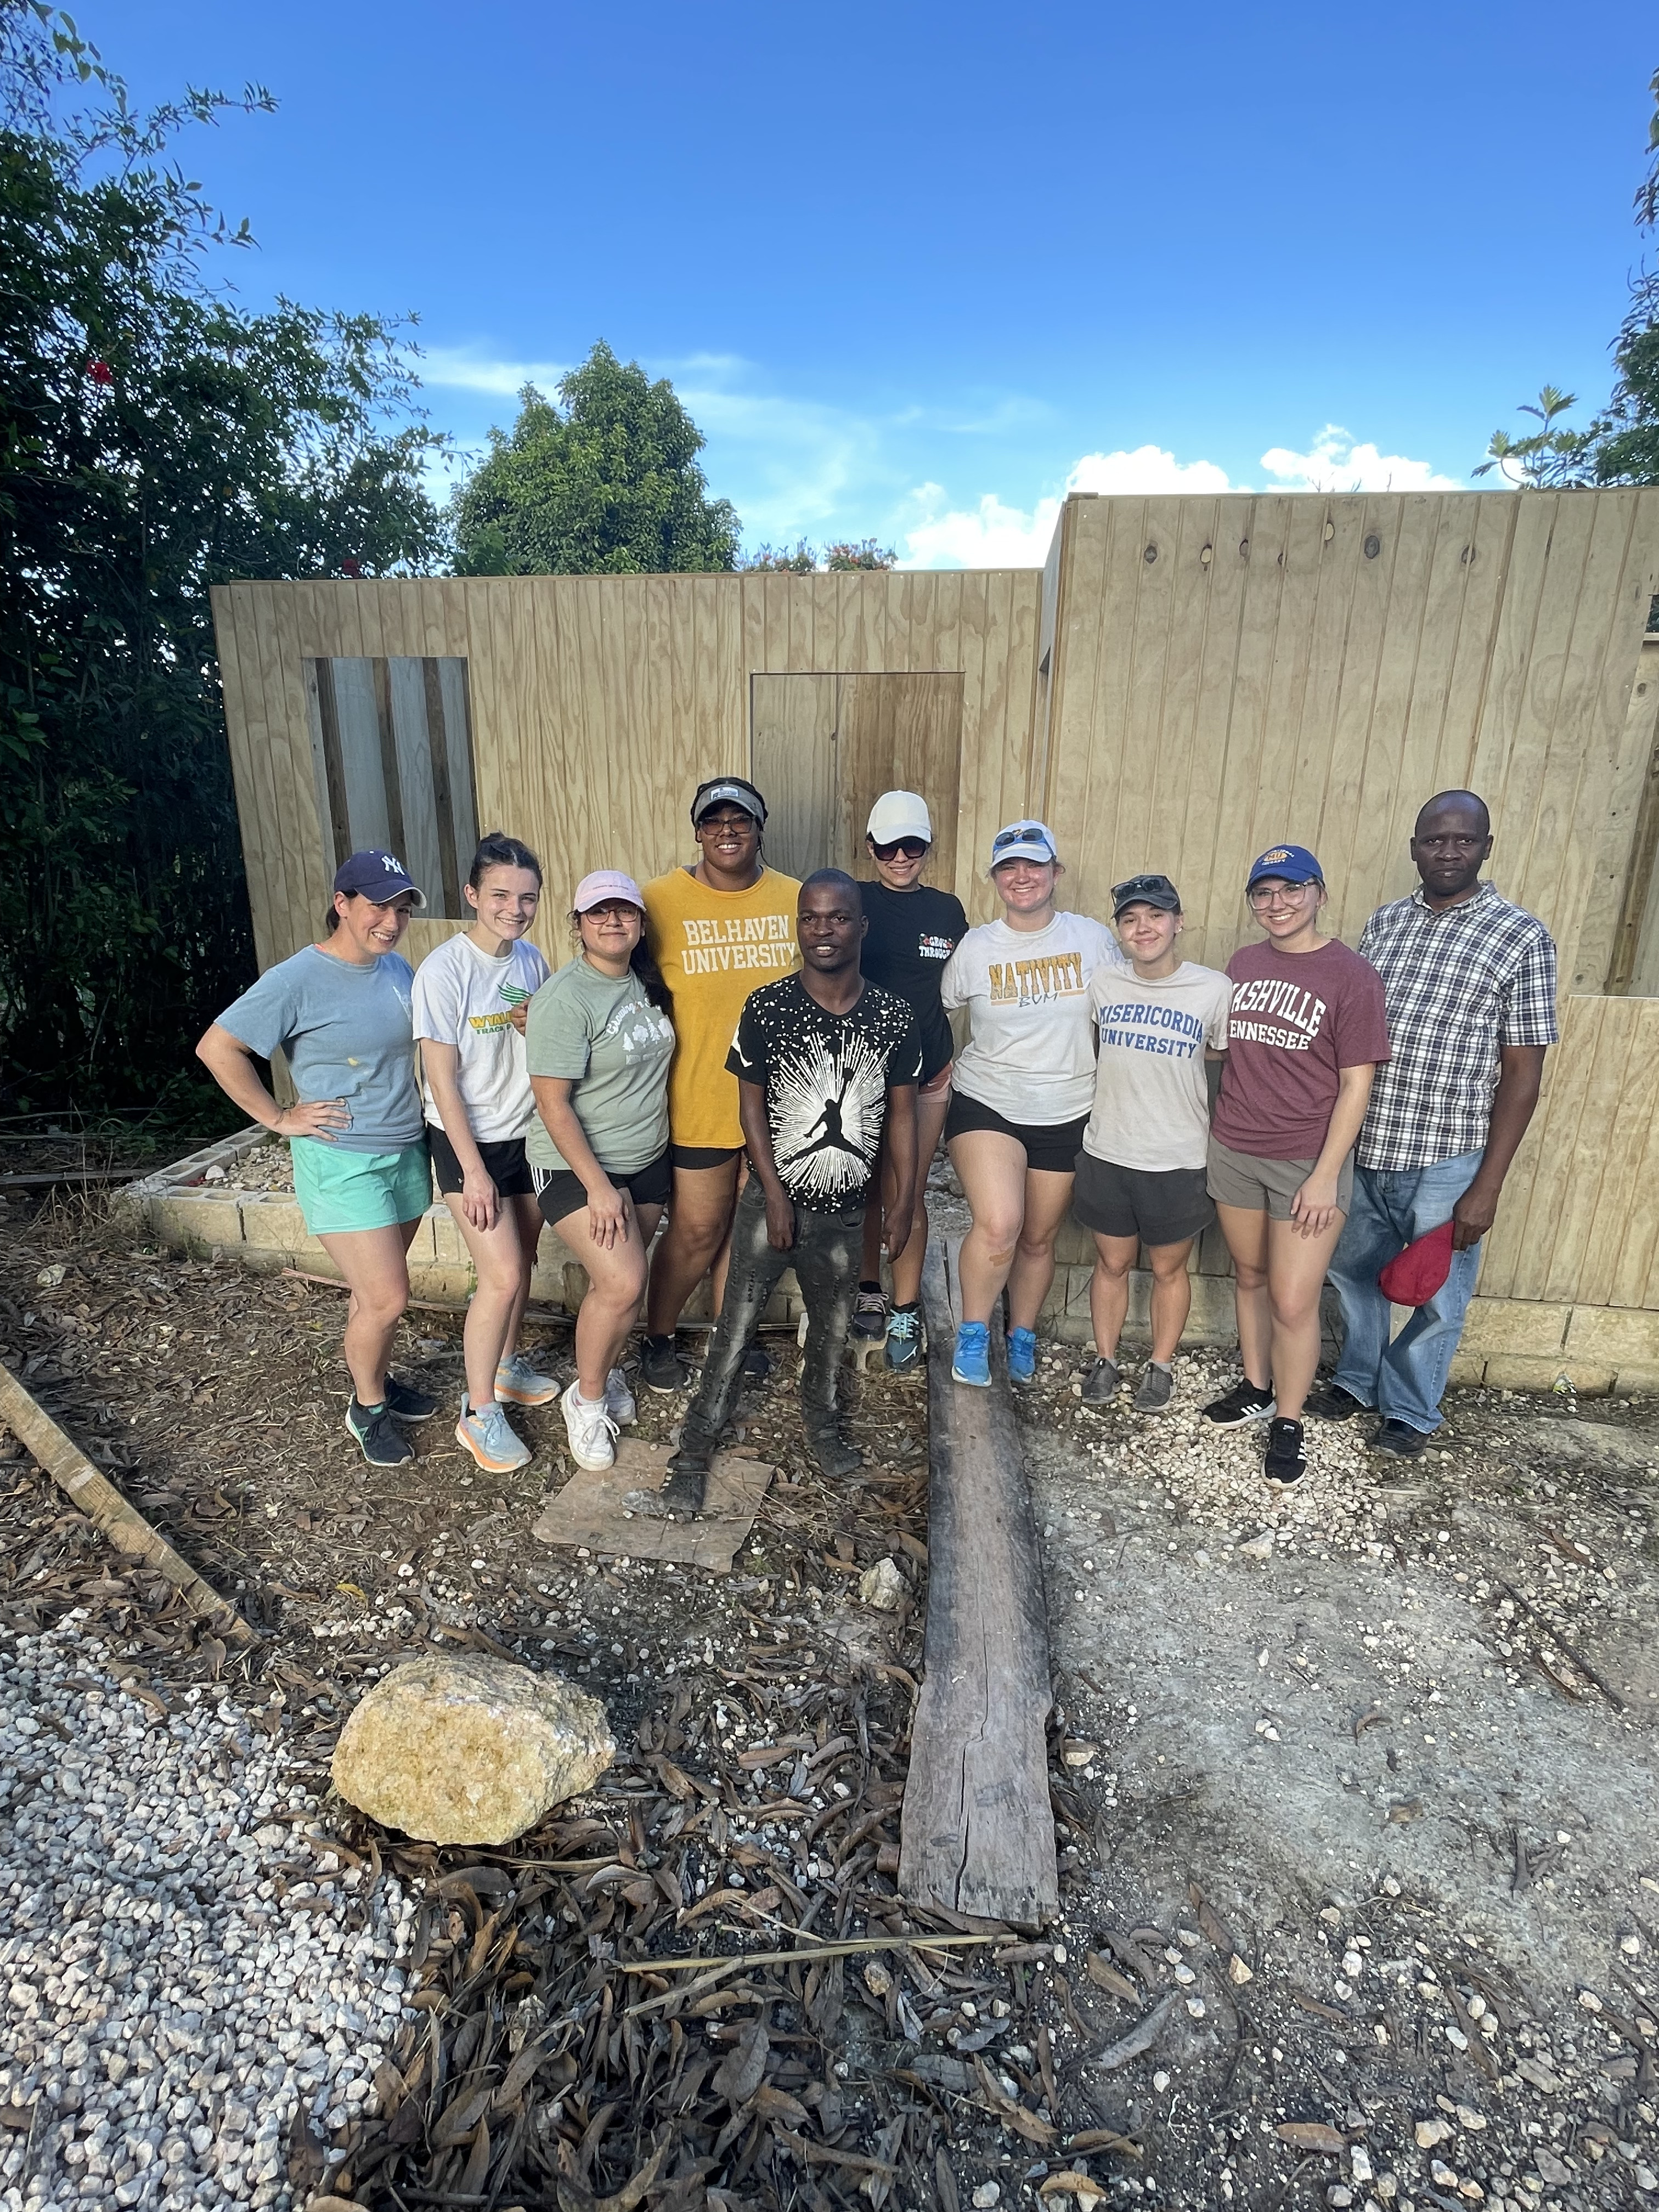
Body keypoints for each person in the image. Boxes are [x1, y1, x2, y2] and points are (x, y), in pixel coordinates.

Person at [663, 871, 920, 1509]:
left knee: (832, 1330)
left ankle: (823, 1427)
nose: (823, 930)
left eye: (837, 918)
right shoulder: (769, 1006)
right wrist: (774, 1194)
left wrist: (904, 1200)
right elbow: (751, 1109)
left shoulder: (891, 1015)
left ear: (860, 926)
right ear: (797, 925)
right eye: (810, 918)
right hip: (772, 1204)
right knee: (736, 1325)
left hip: (845, 1211)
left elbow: (904, 1118)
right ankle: (694, 1448)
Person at [1311, 791, 1558, 1455]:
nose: (1448, 852)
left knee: (1437, 1296)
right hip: (1367, 1141)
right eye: (1434, 840)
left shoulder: (1521, 936)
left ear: (1486, 848)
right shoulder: (1385, 924)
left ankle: (1411, 1411)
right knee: (1351, 1274)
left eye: (1464, 841)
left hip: (1448, 1155)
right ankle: (1358, 1380)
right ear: (1415, 847)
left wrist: (1489, 1184)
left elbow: (1523, 1075)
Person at [195, 850, 438, 1468]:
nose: (391, 920)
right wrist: (279, 1118)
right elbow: (218, 1047)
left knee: (371, 1294)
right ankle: (367, 1407)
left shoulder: (395, 969)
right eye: (378, 906)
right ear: (343, 904)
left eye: (401, 908)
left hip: (404, 1148)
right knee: (387, 1298)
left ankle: (378, 1380)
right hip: (341, 1160)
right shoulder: (296, 979)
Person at [1203, 844, 1390, 1488]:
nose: (1277, 904)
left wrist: (1325, 1174)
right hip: (1234, 1145)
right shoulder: (1243, 964)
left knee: (1293, 1297)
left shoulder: (1351, 975)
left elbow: (1356, 1083)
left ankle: (1288, 1419)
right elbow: (1226, 1052)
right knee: (1250, 1275)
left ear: (1320, 893)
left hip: (1307, 1159)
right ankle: (1256, 1385)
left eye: (1291, 890)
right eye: (1264, 893)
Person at [939, 820, 1122, 1389]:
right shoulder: (976, 947)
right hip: (989, 1101)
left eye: (1033, 865)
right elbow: (937, 1009)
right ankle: (973, 1331)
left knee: (1039, 1238)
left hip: (1068, 1105)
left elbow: (1127, 1005)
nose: (1022, 876)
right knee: (1000, 1224)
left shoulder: (1092, 940)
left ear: (1055, 873)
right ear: (995, 879)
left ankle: (1021, 1332)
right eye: (1009, 867)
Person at [639, 777, 801, 1391]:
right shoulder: (659, 900)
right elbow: (611, 969)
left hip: (779, 1105)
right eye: (714, 820)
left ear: (760, 828)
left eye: (741, 820)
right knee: (697, 1229)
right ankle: (658, 1336)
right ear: (697, 830)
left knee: (748, 1231)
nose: (727, 830)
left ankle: (728, 1335)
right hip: (700, 1098)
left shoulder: (793, 897)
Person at [413, 832, 557, 1475]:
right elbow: (441, 1079)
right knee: (498, 1275)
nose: (514, 908)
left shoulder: (532, 962)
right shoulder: (444, 971)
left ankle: (503, 1367)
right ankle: (477, 1413)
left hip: (522, 1134)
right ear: (473, 895)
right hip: (464, 1140)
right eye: (500, 894)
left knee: (521, 1264)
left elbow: (546, 1044)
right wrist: (471, 1170)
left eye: (527, 898)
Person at [525, 872, 677, 1471]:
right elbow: (551, 1103)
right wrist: (598, 1187)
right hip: (577, 1165)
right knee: (621, 1284)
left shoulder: (645, 981)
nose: (613, 922)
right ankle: (584, 1401)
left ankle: (604, 1370)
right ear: (579, 923)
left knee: (623, 1286)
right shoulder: (567, 997)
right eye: (599, 913)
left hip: (645, 1158)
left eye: (624, 912)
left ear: (640, 922)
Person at [1074, 874, 1232, 1413]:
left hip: (1177, 1156)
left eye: (1156, 916)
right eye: (1130, 919)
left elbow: (1220, 1056)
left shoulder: (1212, 990)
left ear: (1178, 921)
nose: (1143, 929)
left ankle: (1160, 1366)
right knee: (1111, 1263)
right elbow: (1093, 1049)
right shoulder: (1103, 984)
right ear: (1119, 929)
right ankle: (1106, 1359)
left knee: (1168, 1269)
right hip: (1109, 1149)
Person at [851, 791, 969, 1370]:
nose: (901, 857)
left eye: (913, 846)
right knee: (868, 1186)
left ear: (928, 848)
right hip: (861, 1073)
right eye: (889, 846)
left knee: (909, 1189)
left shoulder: (948, 911)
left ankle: (906, 1306)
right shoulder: (849, 901)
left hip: (925, 1071)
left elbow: (972, 980)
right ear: (870, 846)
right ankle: (869, 1286)